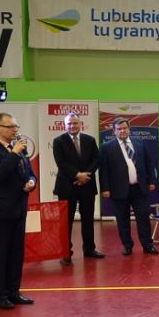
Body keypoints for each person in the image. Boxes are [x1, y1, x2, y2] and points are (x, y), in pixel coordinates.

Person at [0, 113, 36, 310]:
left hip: (17, 209)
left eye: (16, 126)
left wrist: (31, 182)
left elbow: (29, 172)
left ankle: (13, 291)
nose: (15, 130)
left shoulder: (18, 149)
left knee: (15, 253)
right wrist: (14, 154)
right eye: (10, 126)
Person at [99, 118, 158, 256]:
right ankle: (127, 246)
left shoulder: (139, 142)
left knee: (143, 219)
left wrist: (152, 181)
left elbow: (149, 163)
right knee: (122, 219)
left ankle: (148, 245)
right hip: (118, 190)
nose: (122, 131)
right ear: (114, 131)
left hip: (140, 188)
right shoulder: (106, 147)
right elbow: (103, 170)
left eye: (124, 128)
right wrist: (105, 189)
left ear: (129, 129)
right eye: (119, 129)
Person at [52, 112, 104, 265]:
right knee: (66, 221)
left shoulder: (90, 140)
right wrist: (77, 175)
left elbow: (96, 159)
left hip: (87, 185)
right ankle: (66, 253)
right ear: (64, 125)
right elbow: (61, 163)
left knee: (88, 219)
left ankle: (89, 249)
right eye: (69, 123)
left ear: (80, 124)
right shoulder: (58, 141)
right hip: (67, 186)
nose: (72, 126)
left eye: (75, 123)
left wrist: (85, 175)